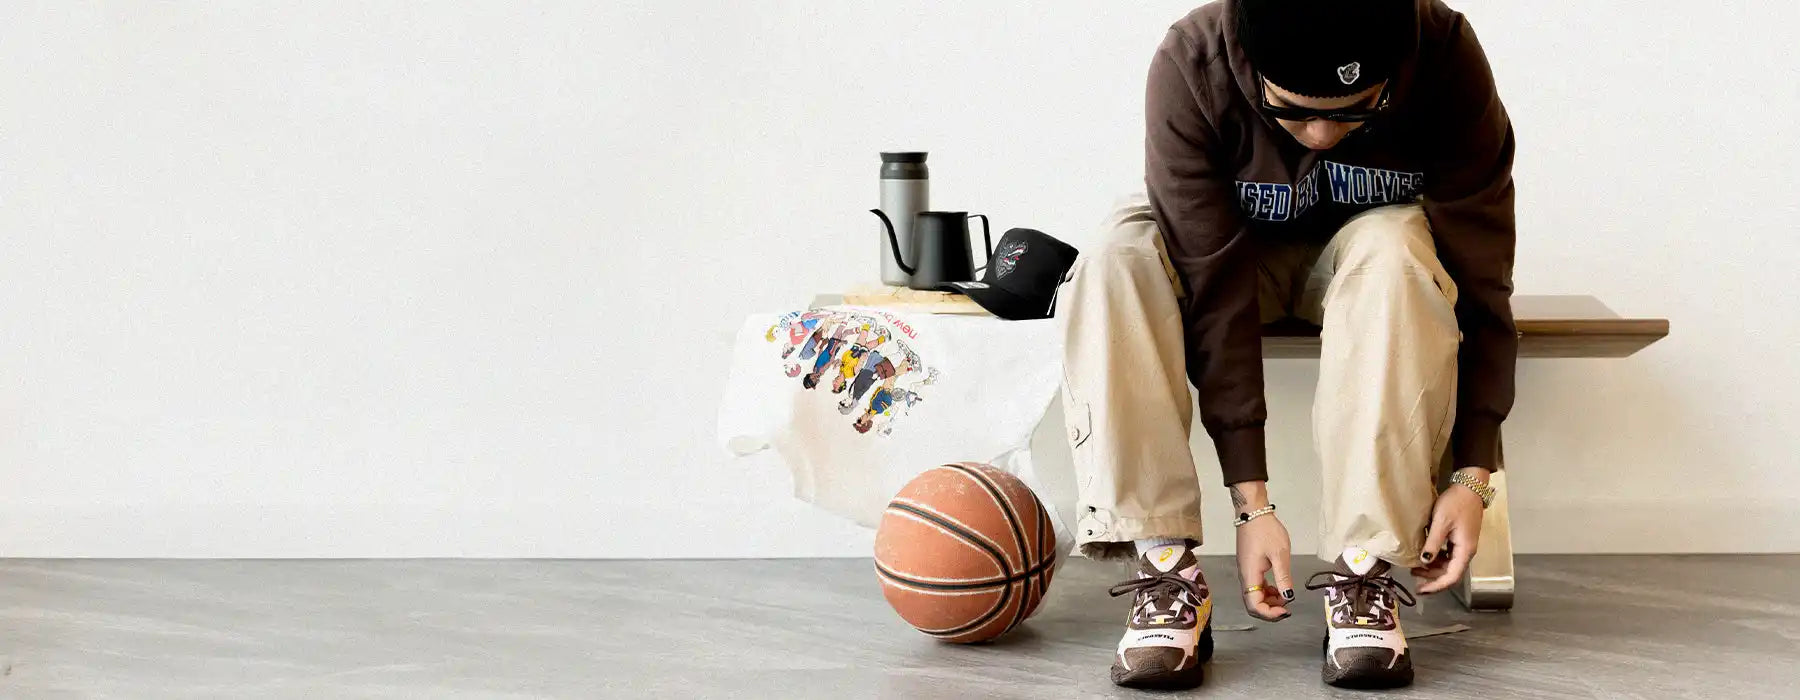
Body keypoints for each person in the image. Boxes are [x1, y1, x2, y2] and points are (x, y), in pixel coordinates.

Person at [1061, 0, 1514, 689]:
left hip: (1365, 262)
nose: (1323, 134)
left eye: (1354, 110)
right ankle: (1164, 567)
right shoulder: (1194, 59)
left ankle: (1364, 571)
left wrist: (1475, 472)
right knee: (1114, 256)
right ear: (1251, 68)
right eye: (1292, 112)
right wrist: (1253, 504)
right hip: (1224, 255)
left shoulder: (1446, 53)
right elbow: (1212, 286)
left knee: (1397, 250)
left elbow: (1480, 272)